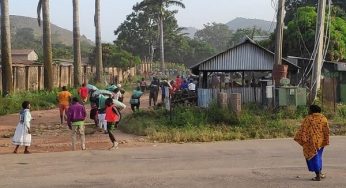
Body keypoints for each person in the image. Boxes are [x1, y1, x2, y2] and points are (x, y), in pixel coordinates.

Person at [294, 105, 330, 181]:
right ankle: (320, 173)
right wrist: (326, 140)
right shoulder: (323, 118)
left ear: (312, 110)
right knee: (319, 156)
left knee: (313, 157)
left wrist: (302, 138)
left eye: (309, 109)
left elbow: (303, 130)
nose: (308, 111)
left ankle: (317, 176)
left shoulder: (308, 119)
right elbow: (326, 131)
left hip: (311, 142)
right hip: (321, 141)